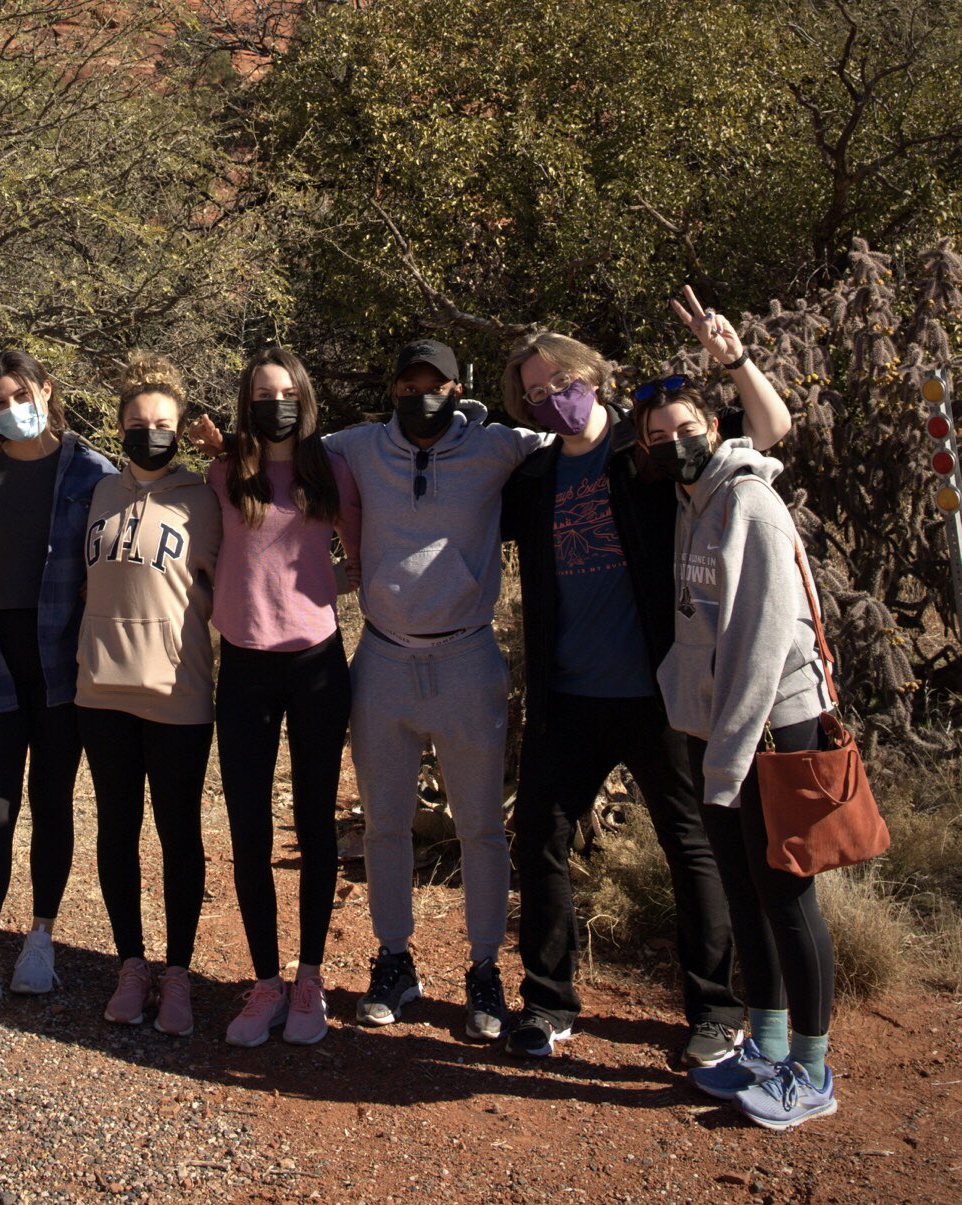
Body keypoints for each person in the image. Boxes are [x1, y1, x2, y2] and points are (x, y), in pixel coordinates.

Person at [191, 338, 546, 1040]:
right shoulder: (336, 452)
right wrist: (229, 438)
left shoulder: (482, 447)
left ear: (456, 387)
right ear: (391, 391)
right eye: (410, 384)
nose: (423, 396)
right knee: (378, 823)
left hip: (452, 654)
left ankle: (478, 968)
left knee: (477, 823)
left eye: (436, 384)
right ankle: (384, 961)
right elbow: (262, 473)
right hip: (369, 659)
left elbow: (573, 433)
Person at [498, 288, 792, 1064]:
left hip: (661, 693)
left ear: (590, 373)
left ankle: (715, 1009)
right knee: (541, 841)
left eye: (558, 381)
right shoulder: (530, 482)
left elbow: (767, 433)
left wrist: (731, 358)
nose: (550, 399)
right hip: (567, 695)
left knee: (691, 847)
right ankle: (548, 1001)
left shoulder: (646, 455)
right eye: (533, 394)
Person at [637, 369, 841, 1130]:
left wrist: (728, 753)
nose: (674, 446)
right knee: (744, 889)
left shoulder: (748, 501)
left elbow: (758, 644)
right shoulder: (691, 501)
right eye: (658, 439)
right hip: (716, 722)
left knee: (786, 893)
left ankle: (812, 1070)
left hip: (772, 723)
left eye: (686, 430)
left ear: (714, 427)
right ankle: (769, 1042)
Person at [0, 349, 116, 1017]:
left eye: (19, 392)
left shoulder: (93, 474)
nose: (10, 407)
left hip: (62, 665)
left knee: (51, 801)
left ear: (46, 390)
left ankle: (40, 937)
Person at [206, 347, 360, 1048]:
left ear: (303, 394)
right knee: (248, 825)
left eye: (284, 391)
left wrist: (309, 600)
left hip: (318, 667)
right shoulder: (225, 473)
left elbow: (358, 561)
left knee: (313, 821)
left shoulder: (331, 473)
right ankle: (264, 978)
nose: (275, 402)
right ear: (249, 403)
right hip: (242, 667)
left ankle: (309, 974)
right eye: (261, 394)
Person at [78, 352, 221, 1037]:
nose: (151, 431)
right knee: (116, 829)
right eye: (138, 422)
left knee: (178, 834)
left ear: (181, 425)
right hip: (100, 690)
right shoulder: (99, 492)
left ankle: (179, 971)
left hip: (177, 692)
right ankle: (131, 962)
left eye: (163, 421)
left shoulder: (205, 499)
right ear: (120, 426)